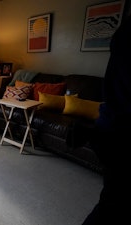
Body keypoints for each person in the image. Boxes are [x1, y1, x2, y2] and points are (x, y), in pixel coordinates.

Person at [82, 14, 131, 225]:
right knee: (113, 205)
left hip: (110, 128)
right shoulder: (128, 36)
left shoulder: (125, 33)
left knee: (111, 203)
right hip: (119, 132)